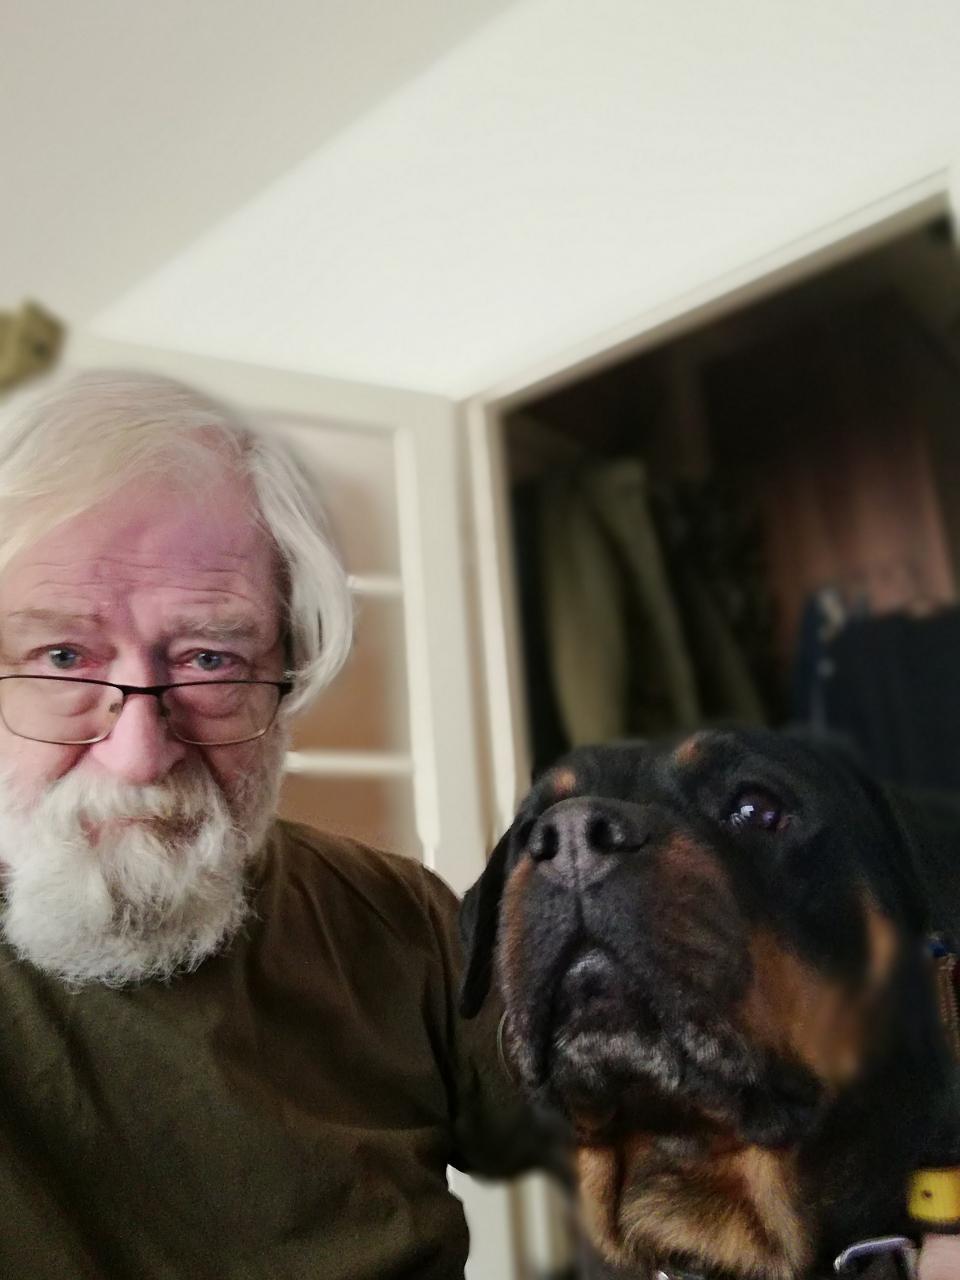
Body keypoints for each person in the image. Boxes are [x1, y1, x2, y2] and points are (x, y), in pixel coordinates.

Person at [0, 369, 540, 1279]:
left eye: (210, 659)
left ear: (285, 676)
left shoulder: (396, 915)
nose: (140, 755)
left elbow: (637, 1144)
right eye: (62, 656)